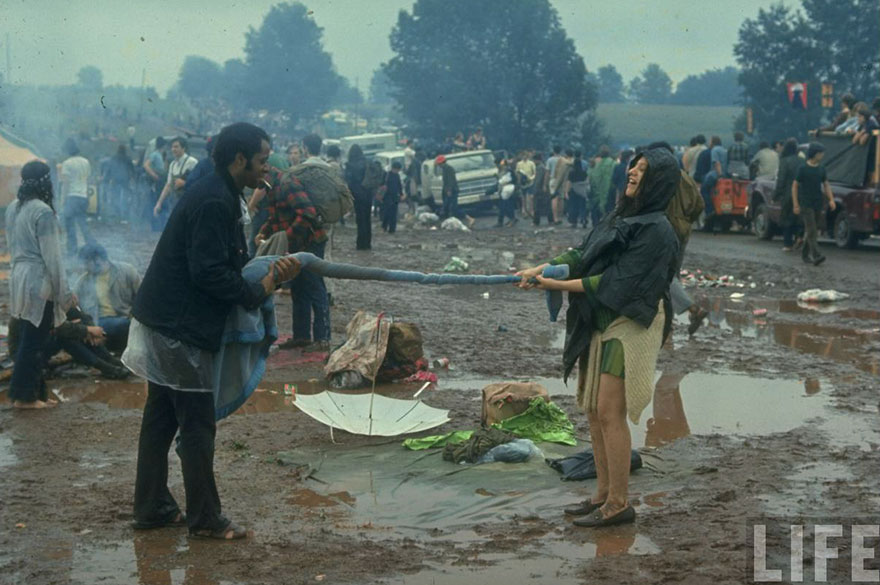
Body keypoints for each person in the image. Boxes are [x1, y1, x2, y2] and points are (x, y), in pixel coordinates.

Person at [124, 122, 300, 540]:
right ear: (239, 160)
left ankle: (151, 507)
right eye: (261, 161)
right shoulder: (214, 201)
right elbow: (209, 273)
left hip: (164, 321)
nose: (266, 169)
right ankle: (205, 518)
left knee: (160, 420)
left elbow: (218, 261)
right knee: (197, 426)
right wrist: (262, 288)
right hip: (177, 331)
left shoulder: (218, 193)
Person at [516, 147, 680, 527]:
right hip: (602, 318)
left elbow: (615, 283)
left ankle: (620, 504)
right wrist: (538, 269)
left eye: (642, 171)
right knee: (592, 411)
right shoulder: (621, 215)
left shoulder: (657, 230)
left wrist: (554, 283)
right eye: (633, 168)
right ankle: (602, 495)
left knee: (609, 412)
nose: (632, 174)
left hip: (631, 322)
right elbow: (583, 253)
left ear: (658, 182)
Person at [6, 161, 74, 409]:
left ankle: (37, 393)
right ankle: (24, 397)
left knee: (29, 336)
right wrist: (64, 294)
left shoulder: (13, 207)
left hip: (19, 277)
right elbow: (53, 260)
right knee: (34, 342)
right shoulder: (44, 212)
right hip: (37, 280)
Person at [257, 135, 330, 352]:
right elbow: (276, 217)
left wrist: (286, 236)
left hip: (310, 241)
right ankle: (301, 336)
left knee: (315, 286)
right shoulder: (272, 188)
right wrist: (264, 231)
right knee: (298, 288)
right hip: (297, 243)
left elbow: (307, 213)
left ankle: (322, 337)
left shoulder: (287, 184)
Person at [73, 242, 141, 351]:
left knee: (125, 325)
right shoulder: (82, 282)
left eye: (87, 262)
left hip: (125, 319)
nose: (84, 267)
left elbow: (141, 298)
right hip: (98, 323)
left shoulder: (126, 271)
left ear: (98, 260)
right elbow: (75, 307)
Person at [792, 143, 836, 265]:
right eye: (821, 153)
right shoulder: (802, 168)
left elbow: (826, 185)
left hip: (817, 202)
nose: (822, 156)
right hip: (805, 203)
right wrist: (796, 204)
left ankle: (805, 255)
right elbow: (795, 186)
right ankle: (816, 255)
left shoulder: (821, 169)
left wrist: (831, 199)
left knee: (812, 229)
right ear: (815, 154)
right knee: (812, 230)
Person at [60, 138, 93, 255]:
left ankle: (72, 251)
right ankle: (92, 247)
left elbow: (66, 184)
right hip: (83, 196)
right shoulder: (86, 162)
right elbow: (88, 181)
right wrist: (88, 196)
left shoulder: (67, 163)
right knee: (83, 224)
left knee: (70, 226)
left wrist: (62, 200)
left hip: (72, 197)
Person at [153, 137, 198, 220]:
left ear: (183, 148)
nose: (173, 149)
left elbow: (199, 183)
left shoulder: (192, 162)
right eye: (172, 147)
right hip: (174, 203)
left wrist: (184, 183)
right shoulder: (172, 164)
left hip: (188, 204)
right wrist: (159, 203)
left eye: (176, 147)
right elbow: (168, 185)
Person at [774, 138, 803, 252]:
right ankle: (799, 236)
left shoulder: (784, 161)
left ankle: (788, 244)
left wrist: (776, 195)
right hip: (802, 193)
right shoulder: (802, 160)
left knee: (787, 218)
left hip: (788, 193)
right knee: (799, 217)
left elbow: (781, 180)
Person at [436, 155, 475, 227]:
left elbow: (450, 181)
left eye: (439, 164)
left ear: (442, 163)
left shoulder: (449, 169)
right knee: (447, 208)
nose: (438, 165)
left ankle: (469, 218)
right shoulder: (445, 169)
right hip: (448, 191)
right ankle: (449, 223)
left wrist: (449, 190)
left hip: (452, 191)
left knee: (454, 208)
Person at [346, 145, 372, 251]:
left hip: (357, 194)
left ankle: (361, 244)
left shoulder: (350, 165)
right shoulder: (367, 162)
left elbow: (349, 181)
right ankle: (368, 243)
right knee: (367, 218)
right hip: (368, 193)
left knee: (360, 220)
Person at [699, 136, 727, 226]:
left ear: (713, 142)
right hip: (725, 173)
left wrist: (719, 175)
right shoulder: (724, 150)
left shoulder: (714, 150)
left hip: (715, 174)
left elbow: (716, 163)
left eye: (710, 141)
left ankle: (710, 210)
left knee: (704, 190)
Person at [143, 137, 167, 231]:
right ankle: (155, 225)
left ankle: (159, 225)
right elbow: (146, 165)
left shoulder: (160, 155)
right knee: (154, 202)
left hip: (160, 181)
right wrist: (154, 175)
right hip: (155, 183)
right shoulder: (155, 154)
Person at [589, 146, 615, 223]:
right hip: (610, 190)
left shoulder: (597, 165)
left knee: (596, 210)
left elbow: (594, 179)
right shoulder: (613, 163)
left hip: (598, 192)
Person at [567, 150, 589, 228]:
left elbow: (569, 182)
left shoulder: (571, 172)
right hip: (582, 191)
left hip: (573, 190)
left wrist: (567, 191)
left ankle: (573, 221)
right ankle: (583, 219)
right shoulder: (584, 172)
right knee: (582, 206)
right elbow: (587, 181)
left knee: (573, 206)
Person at [531, 153, 553, 226]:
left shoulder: (540, 168)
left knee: (537, 206)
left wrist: (535, 189)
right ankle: (551, 220)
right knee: (547, 206)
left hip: (539, 190)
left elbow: (538, 180)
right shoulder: (543, 167)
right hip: (544, 189)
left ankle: (536, 221)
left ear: (537, 160)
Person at [382, 161, 403, 233]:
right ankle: (384, 226)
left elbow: (399, 185)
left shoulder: (397, 176)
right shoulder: (387, 175)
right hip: (387, 196)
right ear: (393, 168)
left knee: (394, 213)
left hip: (395, 197)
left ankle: (392, 229)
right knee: (387, 212)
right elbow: (382, 184)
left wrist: (401, 194)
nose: (397, 171)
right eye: (397, 169)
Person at [516, 151, 536, 218]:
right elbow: (518, 173)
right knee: (523, 198)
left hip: (530, 182)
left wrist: (531, 178)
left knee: (530, 197)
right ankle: (524, 211)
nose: (524, 156)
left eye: (525, 155)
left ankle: (531, 211)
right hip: (522, 183)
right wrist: (519, 182)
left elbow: (534, 173)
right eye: (523, 155)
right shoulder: (519, 164)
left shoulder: (531, 163)